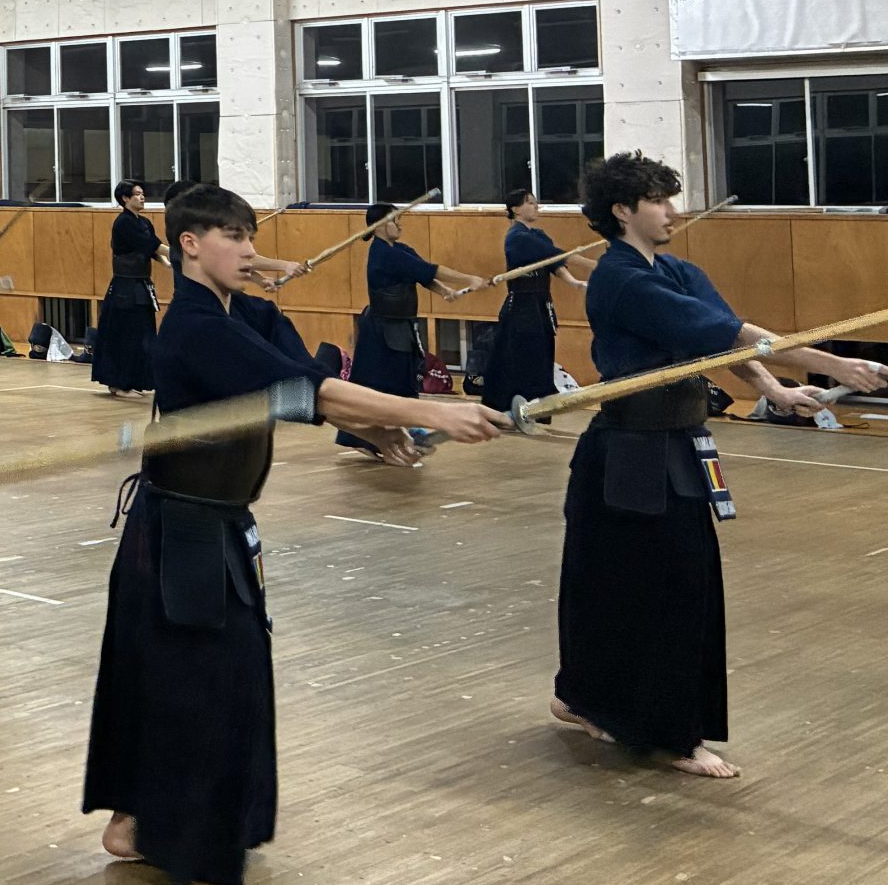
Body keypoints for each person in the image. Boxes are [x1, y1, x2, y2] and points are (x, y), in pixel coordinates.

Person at [84, 183, 507, 885]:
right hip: (182, 533)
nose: (250, 251)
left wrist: (376, 428)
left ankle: (135, 822)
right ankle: (204, 865)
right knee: (215, 693)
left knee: (166, 682)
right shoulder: (191, 327)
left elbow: (306, 391)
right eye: (233, 237)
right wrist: (431, 409)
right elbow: (309, 389)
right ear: (189, 244)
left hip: (207, 528)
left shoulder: (241, 313)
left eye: (250, 237)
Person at [552, 153, 883, 778]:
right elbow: (732, 331)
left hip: (679, 448)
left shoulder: (677, 270)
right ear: (623, 210)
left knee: (684, 587)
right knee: (615, 589)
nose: (672, 210)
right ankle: (621, 714)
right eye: (658, 200)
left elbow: (726, 340)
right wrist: (829, 363)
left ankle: (633, 712)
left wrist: (777, 391)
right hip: (625, 456)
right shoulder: (619, 280)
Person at [342, 202, 484, 451]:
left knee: (404, 382)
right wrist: (468, 278)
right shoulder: (384, 254)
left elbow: (421, 274)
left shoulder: (400, 249)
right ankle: (368, 438)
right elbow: (430, 270)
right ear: (379, 226)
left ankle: (403, 433)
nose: (399, 224)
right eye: (394, 219)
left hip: (400, 327)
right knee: (379, 386)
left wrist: (444, 291)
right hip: (382, 330)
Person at [475, 189, 591, 415]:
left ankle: (537, 407)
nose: (535, 206)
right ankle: (509, 408)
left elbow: (554, 264)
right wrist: (596, 266)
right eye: (529, 203)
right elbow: (556, 254)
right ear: (516, 209)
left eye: (536, 202)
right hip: (522, 306)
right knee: (520, 357)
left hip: (541, 304)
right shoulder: (517, 238)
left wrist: (574, 282)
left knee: (541, 356)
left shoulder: (539, 235)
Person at [90, 181, 165, 398]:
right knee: (124, 335)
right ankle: (118, 384)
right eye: (137, 194)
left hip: (141, 285)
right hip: (125, 288)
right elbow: (151, 245)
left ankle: (134, 381)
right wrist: (182, 253)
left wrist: (171, 264)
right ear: (125, 198)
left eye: (143, 194)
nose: (142, 197)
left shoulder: (144, 222)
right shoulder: (123, 223)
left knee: (143, 334)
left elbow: (153, 249)